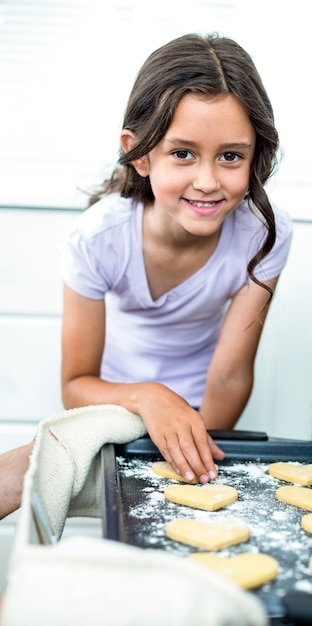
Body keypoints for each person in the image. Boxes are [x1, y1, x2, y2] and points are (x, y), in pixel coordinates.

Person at [0, 32, 292, 521]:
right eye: (182, 153)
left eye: (231, 156)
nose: (207, 181)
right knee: (15, 475)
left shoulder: (264, 234)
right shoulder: (96, 239)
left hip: (206, 415)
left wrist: (192, 451)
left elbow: (230, 373)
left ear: (256, 154)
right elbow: (76, 382)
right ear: (139, 154)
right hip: (113, 408)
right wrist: (149, 398)